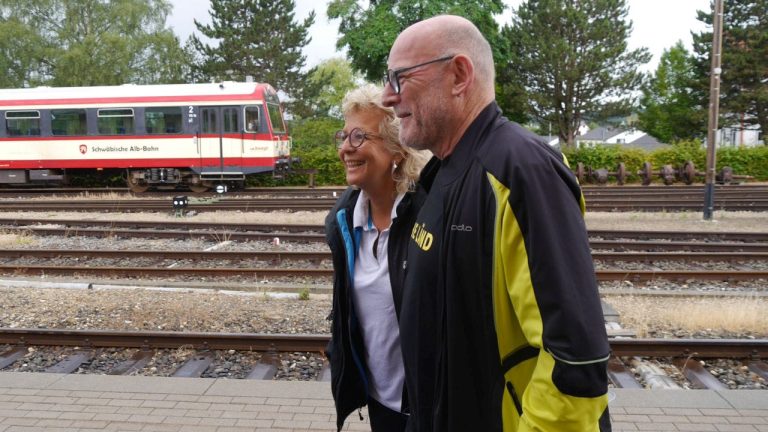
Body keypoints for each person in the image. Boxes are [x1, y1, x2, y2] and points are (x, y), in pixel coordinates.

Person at [381, 15, 612, 432]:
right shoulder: (442, 172)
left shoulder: (521, 170)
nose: (387, 96)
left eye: (399, 78)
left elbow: (576, 358)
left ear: (459, 75)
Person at [325, 84, 427, 431]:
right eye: (343, 136)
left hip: (431, 406)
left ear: (397, 150)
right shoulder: (343, 222)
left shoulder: (430, 217)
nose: (344, 149)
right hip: (381, 402)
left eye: (358, 137)